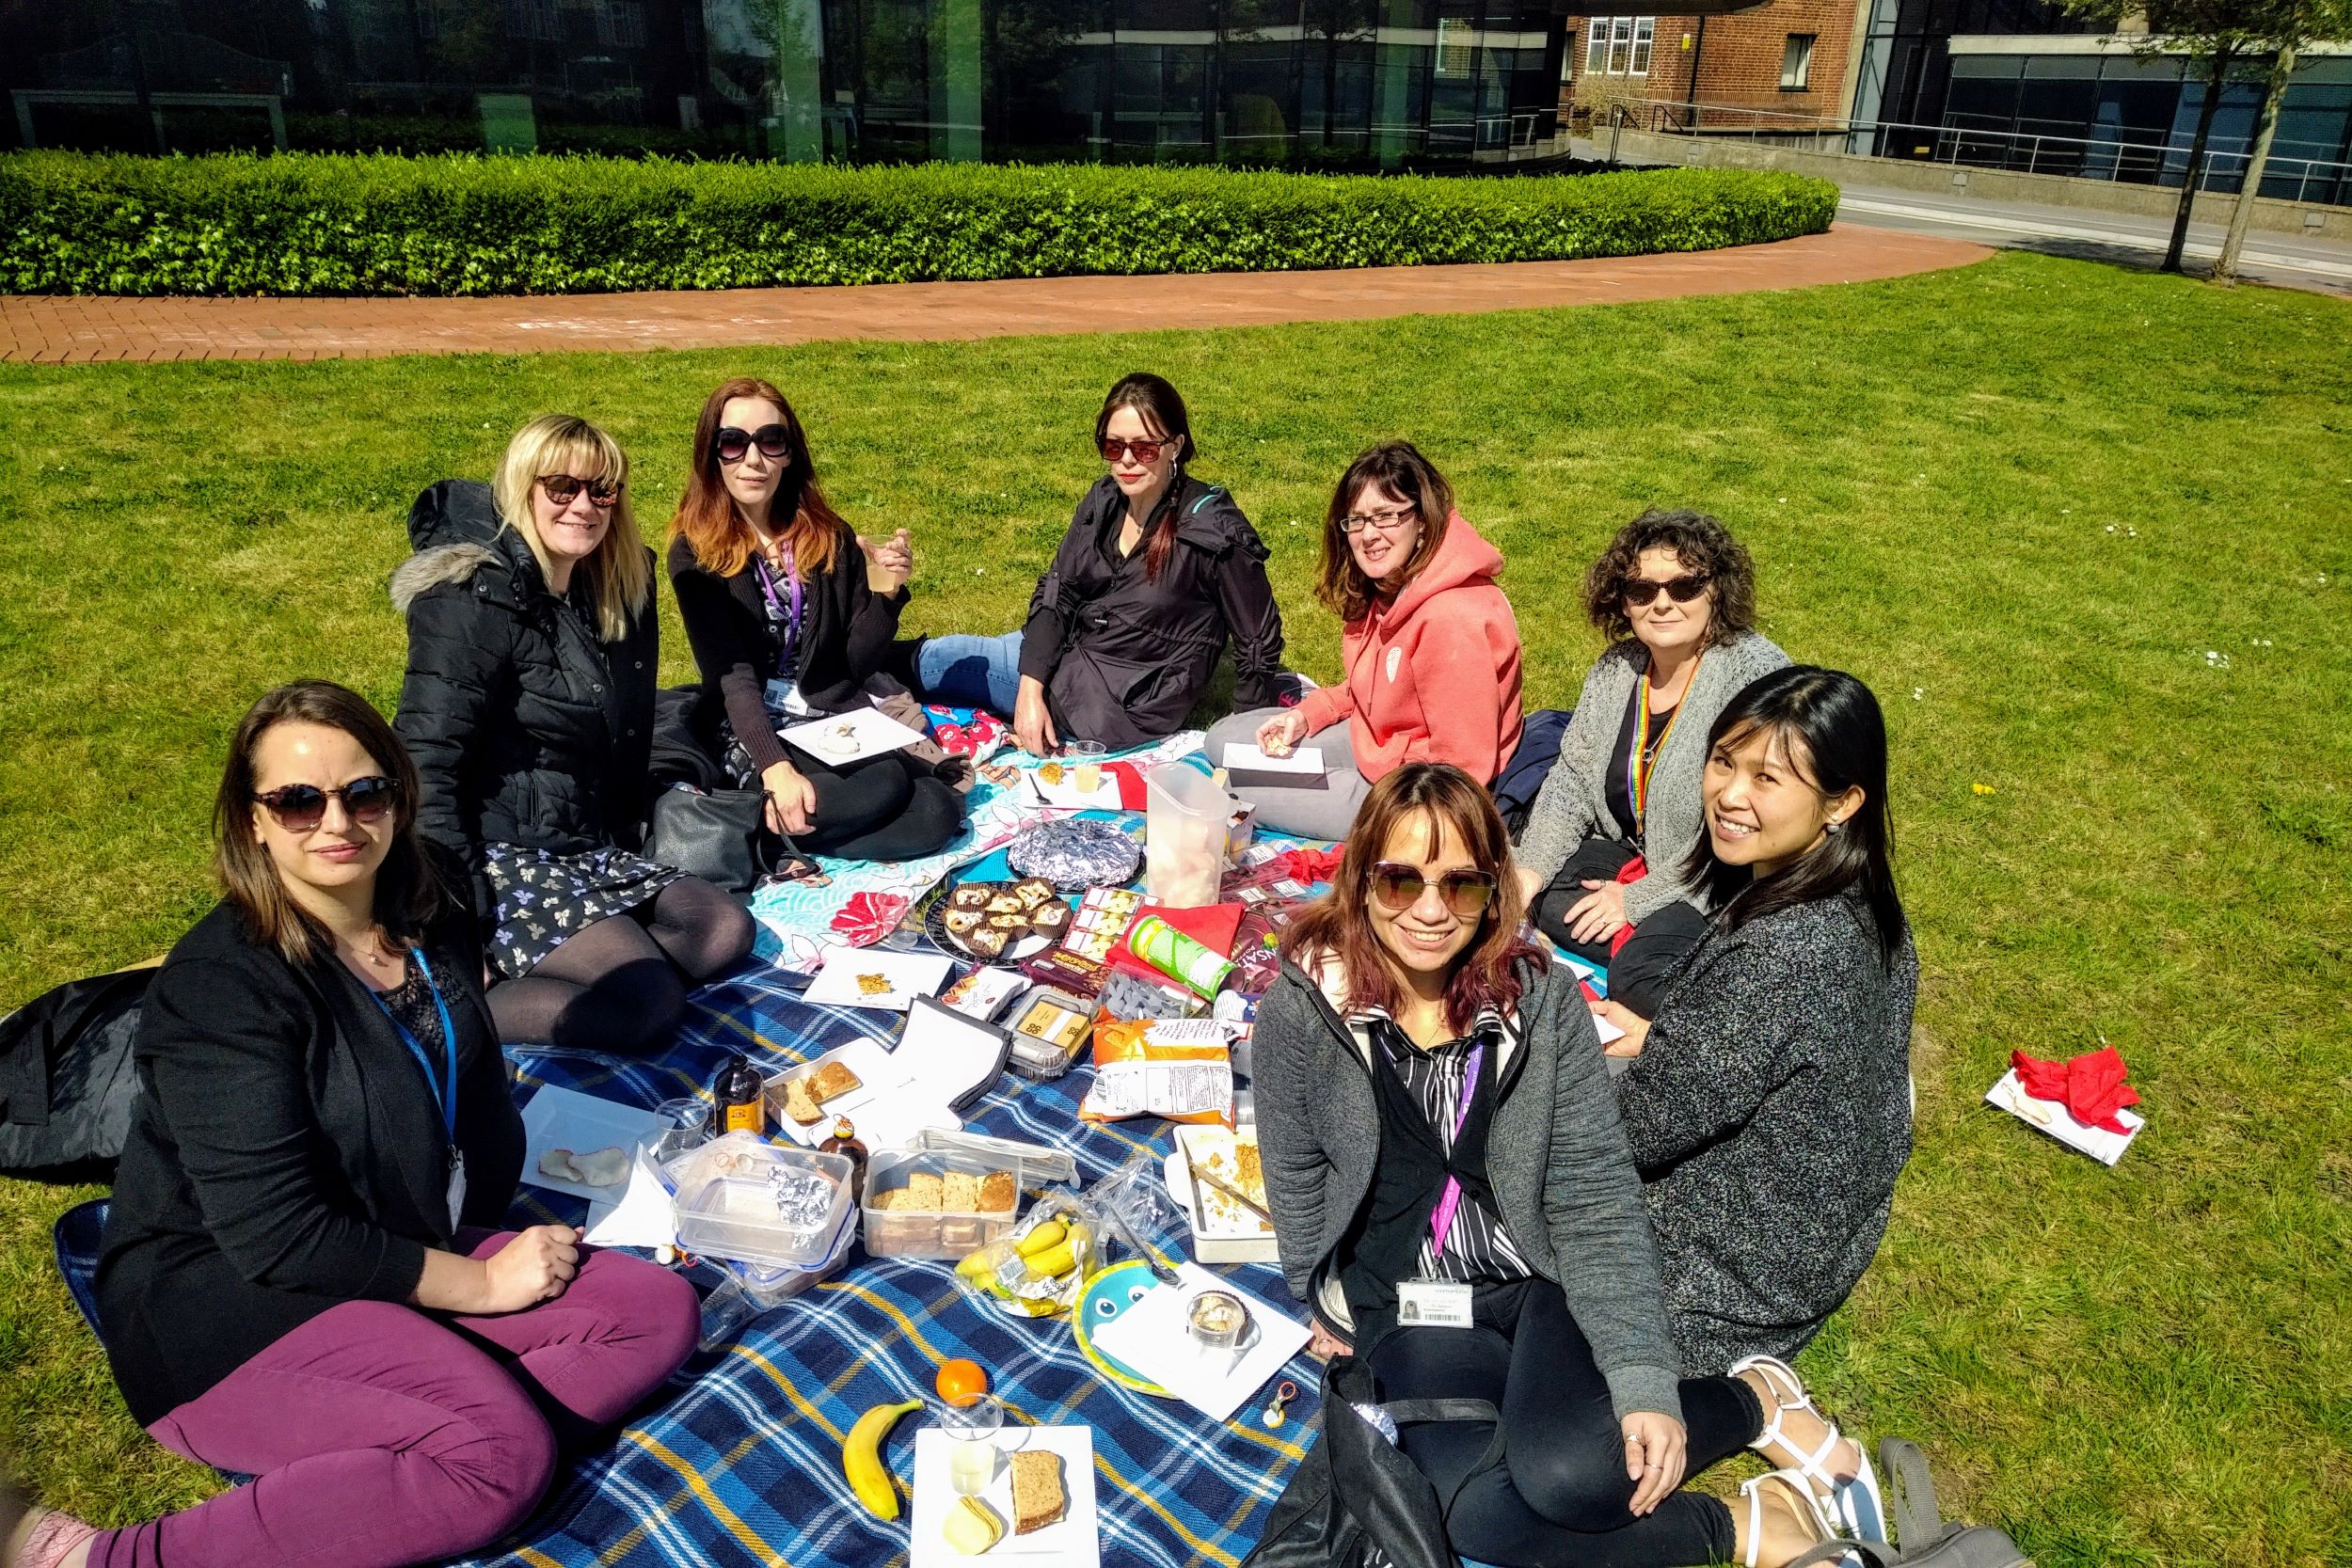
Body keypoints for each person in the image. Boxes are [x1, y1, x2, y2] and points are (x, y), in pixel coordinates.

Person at [9, 681, 701, 1568]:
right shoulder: (220, 987)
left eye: (363, 792)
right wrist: (478, 1285)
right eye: (297, 800)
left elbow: (468, 1084)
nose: (336, 821)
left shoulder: (427, 904)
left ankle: (412, 1454)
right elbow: (277, 1234)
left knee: (656, 1311)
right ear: (253, 821)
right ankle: (97, 1558)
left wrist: (469, 1237)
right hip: (230, 1301)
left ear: (398, 797)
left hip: (389, 1238)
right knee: (499, 1455)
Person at [1251, 763, 1876, 1568]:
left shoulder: (1537, 998)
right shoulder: (1304, 1008)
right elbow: (1295, 1169)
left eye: (1463, 885)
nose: (1432, 911)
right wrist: (1320, 1292)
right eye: (1401, 880)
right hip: (1407, 1301)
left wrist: (1644, 1380)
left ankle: (1749, 1398)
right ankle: (1744, 1527)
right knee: (1468, 1517)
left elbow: (1594, 1194)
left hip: (1535, 1279)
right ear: (1361, 880)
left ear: (1494, 889)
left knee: (1576, 1476)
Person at [1596, 666, 1917, 1392]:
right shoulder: (1866, 901)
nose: (1730, 795)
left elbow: (1634, 1132)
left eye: (1766, 779)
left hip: (1723, 1285)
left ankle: (1757, 1407)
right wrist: (1668, 1036)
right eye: (1723, 761)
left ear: (1842, 802)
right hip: (1816, 1239)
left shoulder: (1780, 950)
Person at [393, 413, 754, 1055]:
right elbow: (425, 765)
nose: (584, 506)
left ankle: (549, 961)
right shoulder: (470, 598)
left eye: (602, 489)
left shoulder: (606, 587)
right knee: (648, 1005)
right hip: (496, 855)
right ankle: (440, 1002)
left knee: (722, 929)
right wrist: (455, 923)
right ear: (522, 487)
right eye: (561, 486)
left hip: (581, 845)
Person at [667, 376, 965, 861]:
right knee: (884, 786)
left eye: (770, 440)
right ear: (711, 453)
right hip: (747, 720)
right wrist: (774, 767)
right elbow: (732, 676)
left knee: (933, 807)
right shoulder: (696, 552)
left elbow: (854, 663)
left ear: (789, 453)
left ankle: (782, 837)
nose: (753, 459)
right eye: (733, 442)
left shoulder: (827, 536)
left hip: (823, 712)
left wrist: (887, 595)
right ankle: (766, 828)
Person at [913, 372, 1287, 755]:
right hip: (1075, 654)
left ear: (1175, 446)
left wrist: (1245, 733)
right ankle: (872, 663)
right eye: (1113, 446)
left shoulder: (1211, 529)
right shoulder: (1106, 500)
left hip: (1111, 702)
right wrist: (1030, 688)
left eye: (1144, 448)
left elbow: (1258, 639)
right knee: (952, 654)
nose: (1126, 460)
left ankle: (872, 668)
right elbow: (1059, 591)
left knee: (947, 660)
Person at [1515, 509, 1789, 1018]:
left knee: (1639, 977)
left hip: (1723, 878)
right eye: (1642, 591)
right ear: (1622, 600)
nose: (1662, 603)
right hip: (1637, 856)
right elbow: (1571, 783)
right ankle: (1673, 956)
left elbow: (1746, 827)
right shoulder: (1617, 669)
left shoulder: (1753, 676)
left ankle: (1702, 1007)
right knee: (1536, 890)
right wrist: (1528, 873)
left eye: (1683, 587)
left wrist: (1635, 901)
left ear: (1716, 590)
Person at [1207, 441, 1522, 841]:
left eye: (1386, 516)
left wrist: (1371, 792)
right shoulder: (1393, 584)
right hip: (1375, 742)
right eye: (1356, 520)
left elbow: (1461, 769)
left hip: (1415, 795)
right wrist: (1307, 715)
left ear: (1422, 519)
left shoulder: (1451, 617)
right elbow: (1372, 688)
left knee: (1233, 785)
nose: (1369, 535)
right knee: (1222, 741)